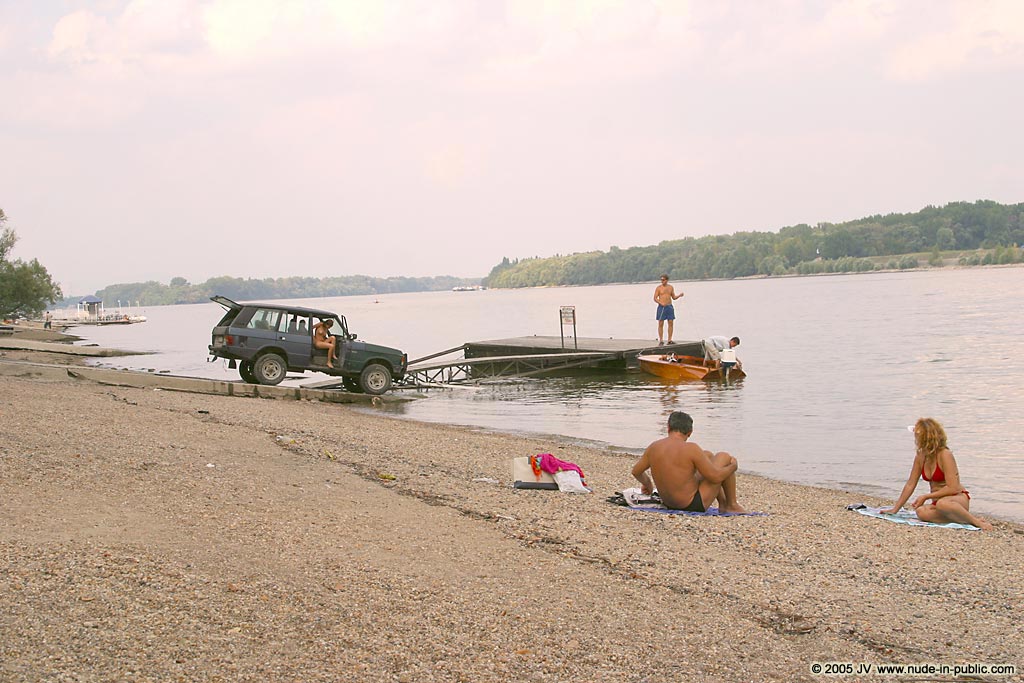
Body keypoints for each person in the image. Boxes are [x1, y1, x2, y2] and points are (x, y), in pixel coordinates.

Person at [881, 418, 993, 530]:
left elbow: (953, 488)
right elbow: (910, 484)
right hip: (938, 503)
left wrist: (926, 496)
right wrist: (895, 509)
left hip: (956, 499)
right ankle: (961, 519)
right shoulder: (921, 456)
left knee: (943, 504)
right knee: (921, 512)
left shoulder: (945, 454)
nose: (915, 439)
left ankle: (976, 522)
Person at [632, 411, 745, 513]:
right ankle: (731, 505)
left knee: (707, 455)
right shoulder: (691, 448)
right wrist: (733, 467)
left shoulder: (654, 447)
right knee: (724, 457)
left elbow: (636, 471)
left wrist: (647, 484)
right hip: (692, 505)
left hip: (669, 503)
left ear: (668, 427)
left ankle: (723, 504)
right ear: (690, 432)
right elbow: (715, 477)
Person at [653, 274, 683, 345]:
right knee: (661, 323)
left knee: (670, 322)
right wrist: (660, 303)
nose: (662, 281)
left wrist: (679, 295)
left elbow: (674, 297)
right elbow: (655, 298)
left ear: (667, 280)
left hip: (669, 307)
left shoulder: (670, 287)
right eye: (661, 280)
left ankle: (669, 340)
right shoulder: (659, 288)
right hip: (661, 307)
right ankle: (661, 340)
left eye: (663, 280)